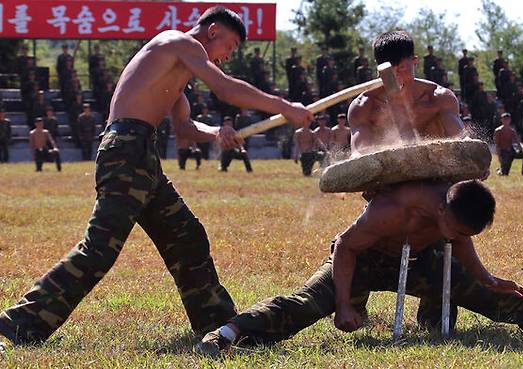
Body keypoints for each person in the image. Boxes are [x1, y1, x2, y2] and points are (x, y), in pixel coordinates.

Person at [0, 6, 312, 348]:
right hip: (126, 149)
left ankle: (218, 325)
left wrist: (219, 133)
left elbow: (185, 128)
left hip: (142, 155)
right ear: (212, 32)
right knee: (100, 248)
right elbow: (224, 89)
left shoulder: (176, 74)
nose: (228, 56)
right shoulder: (177, 42)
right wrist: (284, 105)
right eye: (230, 46)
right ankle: (17, 323)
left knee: (186, 236)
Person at [196, 180, 523, 354]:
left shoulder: (452, 218)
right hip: (361, 260)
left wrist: (486, 277)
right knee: (310, 302)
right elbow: (346, 246)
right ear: (440, 210)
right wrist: (345, 304)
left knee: (484, 291)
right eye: (456, 228)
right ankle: (229, 332)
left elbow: (460, 240)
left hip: (418, 261)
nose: (460, 236)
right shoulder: (392, 210)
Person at [348, 31, 465, 156]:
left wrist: (474, 158)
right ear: (379, 71)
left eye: (402, 68)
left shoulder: (439, 98)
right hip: (389, 171)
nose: (396, 77)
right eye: (389, 72)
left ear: (414, 62)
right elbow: (359, 154)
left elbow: (461, 139)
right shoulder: (363, 107)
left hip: (439, 167)